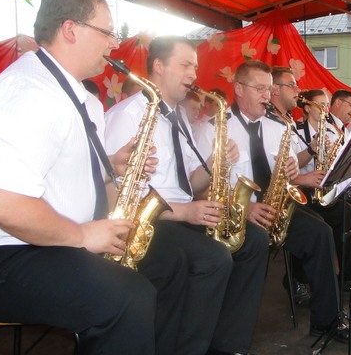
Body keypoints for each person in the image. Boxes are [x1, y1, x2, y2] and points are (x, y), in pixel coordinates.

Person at [0, 0, 157, 354]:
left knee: (163, 267)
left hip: (49, 242)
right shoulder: (28, 91)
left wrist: (112, 166)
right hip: (9, 254)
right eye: (107, 32)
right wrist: (81, 235)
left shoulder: (80, 97)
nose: (115, 43)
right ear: (70, 29)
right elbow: (1, 201)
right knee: (127, 298)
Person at [105, 36, 269, 355]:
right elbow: (116, 194)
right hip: (148, 221)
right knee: (212, 258)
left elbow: (193, 181)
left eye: (194, 66)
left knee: (254, 241)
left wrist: (216, 162)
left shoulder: (178, 116)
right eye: (185, 65)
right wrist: (184, 212)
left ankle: (227, 344)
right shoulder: (127, 116)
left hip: (181, 213)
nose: (194, 74)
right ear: (159, 66)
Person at [197, 61, 351, 343]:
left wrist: (291, 170)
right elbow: (201, 191)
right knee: (256, 248)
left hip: (276, 206)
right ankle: (229, 336)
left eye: (269, 89)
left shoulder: (277, 127)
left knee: (321, 233)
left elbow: (287, 173)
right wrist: (244, 208)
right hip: (238, 213)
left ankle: (327, 321)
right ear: (238, 88)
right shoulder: (214, 128)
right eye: (260, 89)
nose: (267, 95)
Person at [294, 87, 351, 299]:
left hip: (327, 189)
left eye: (326, 105)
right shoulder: (296, 130)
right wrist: (312, 150)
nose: (325, 110)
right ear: (307, 108)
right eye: (320, 105)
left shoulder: (331, 131)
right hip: (303, 191)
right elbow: (294, 166)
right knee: (350, 217)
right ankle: (346, 277)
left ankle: (342, 270)